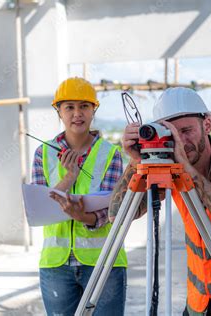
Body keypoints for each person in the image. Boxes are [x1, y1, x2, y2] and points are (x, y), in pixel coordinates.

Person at [109, 87, 211, 316]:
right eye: (172, 134)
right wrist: (136, 163)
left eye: (186, 131)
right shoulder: (170, 166)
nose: (181, 141)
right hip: (200, 295)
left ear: (207, 124)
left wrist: (187, 170)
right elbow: (117, 215)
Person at [31, 77, 127, 315]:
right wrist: (69, 178)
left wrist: (84, 217)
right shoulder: (42, 153)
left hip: (104, 262)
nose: (77, 113)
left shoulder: (110, 154)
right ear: (59, 112)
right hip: (56, 265)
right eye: (69, 107)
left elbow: (114, 208)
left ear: (93, 110)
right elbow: (39, 210)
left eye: (84, 106)